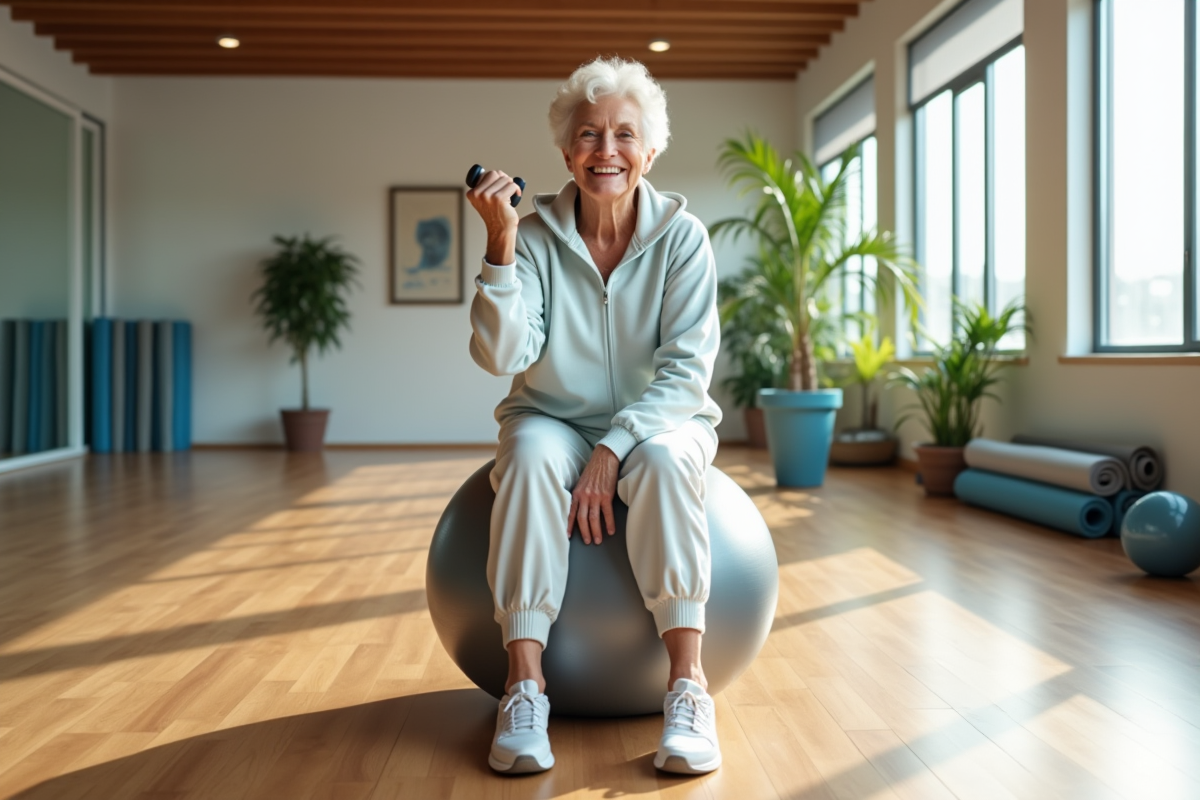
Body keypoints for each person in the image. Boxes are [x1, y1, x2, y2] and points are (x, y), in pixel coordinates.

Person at [465, 56, 723, 776]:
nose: (605, 151)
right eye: (587, 134)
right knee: (525, 455)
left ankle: (688, 688)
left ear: (650, 149)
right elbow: (501, 352)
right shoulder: (538, 235)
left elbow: (684, 372)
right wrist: (501, 245)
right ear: (564, 149)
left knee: (669, 461)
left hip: (657, 423)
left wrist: (613, 448)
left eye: (623, 135)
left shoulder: (682, 239)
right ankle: (524, 688)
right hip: (550, 416)